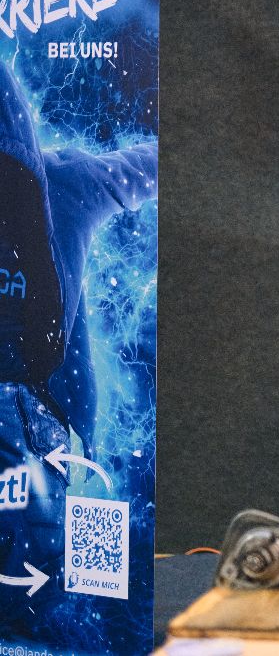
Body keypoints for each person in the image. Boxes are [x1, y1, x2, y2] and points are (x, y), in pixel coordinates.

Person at [1, 59, 157, 619]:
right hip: (63, 430)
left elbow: (150, 164)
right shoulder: (66, 181)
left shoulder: (68, 182)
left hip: (67, 433)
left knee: (87, 606)